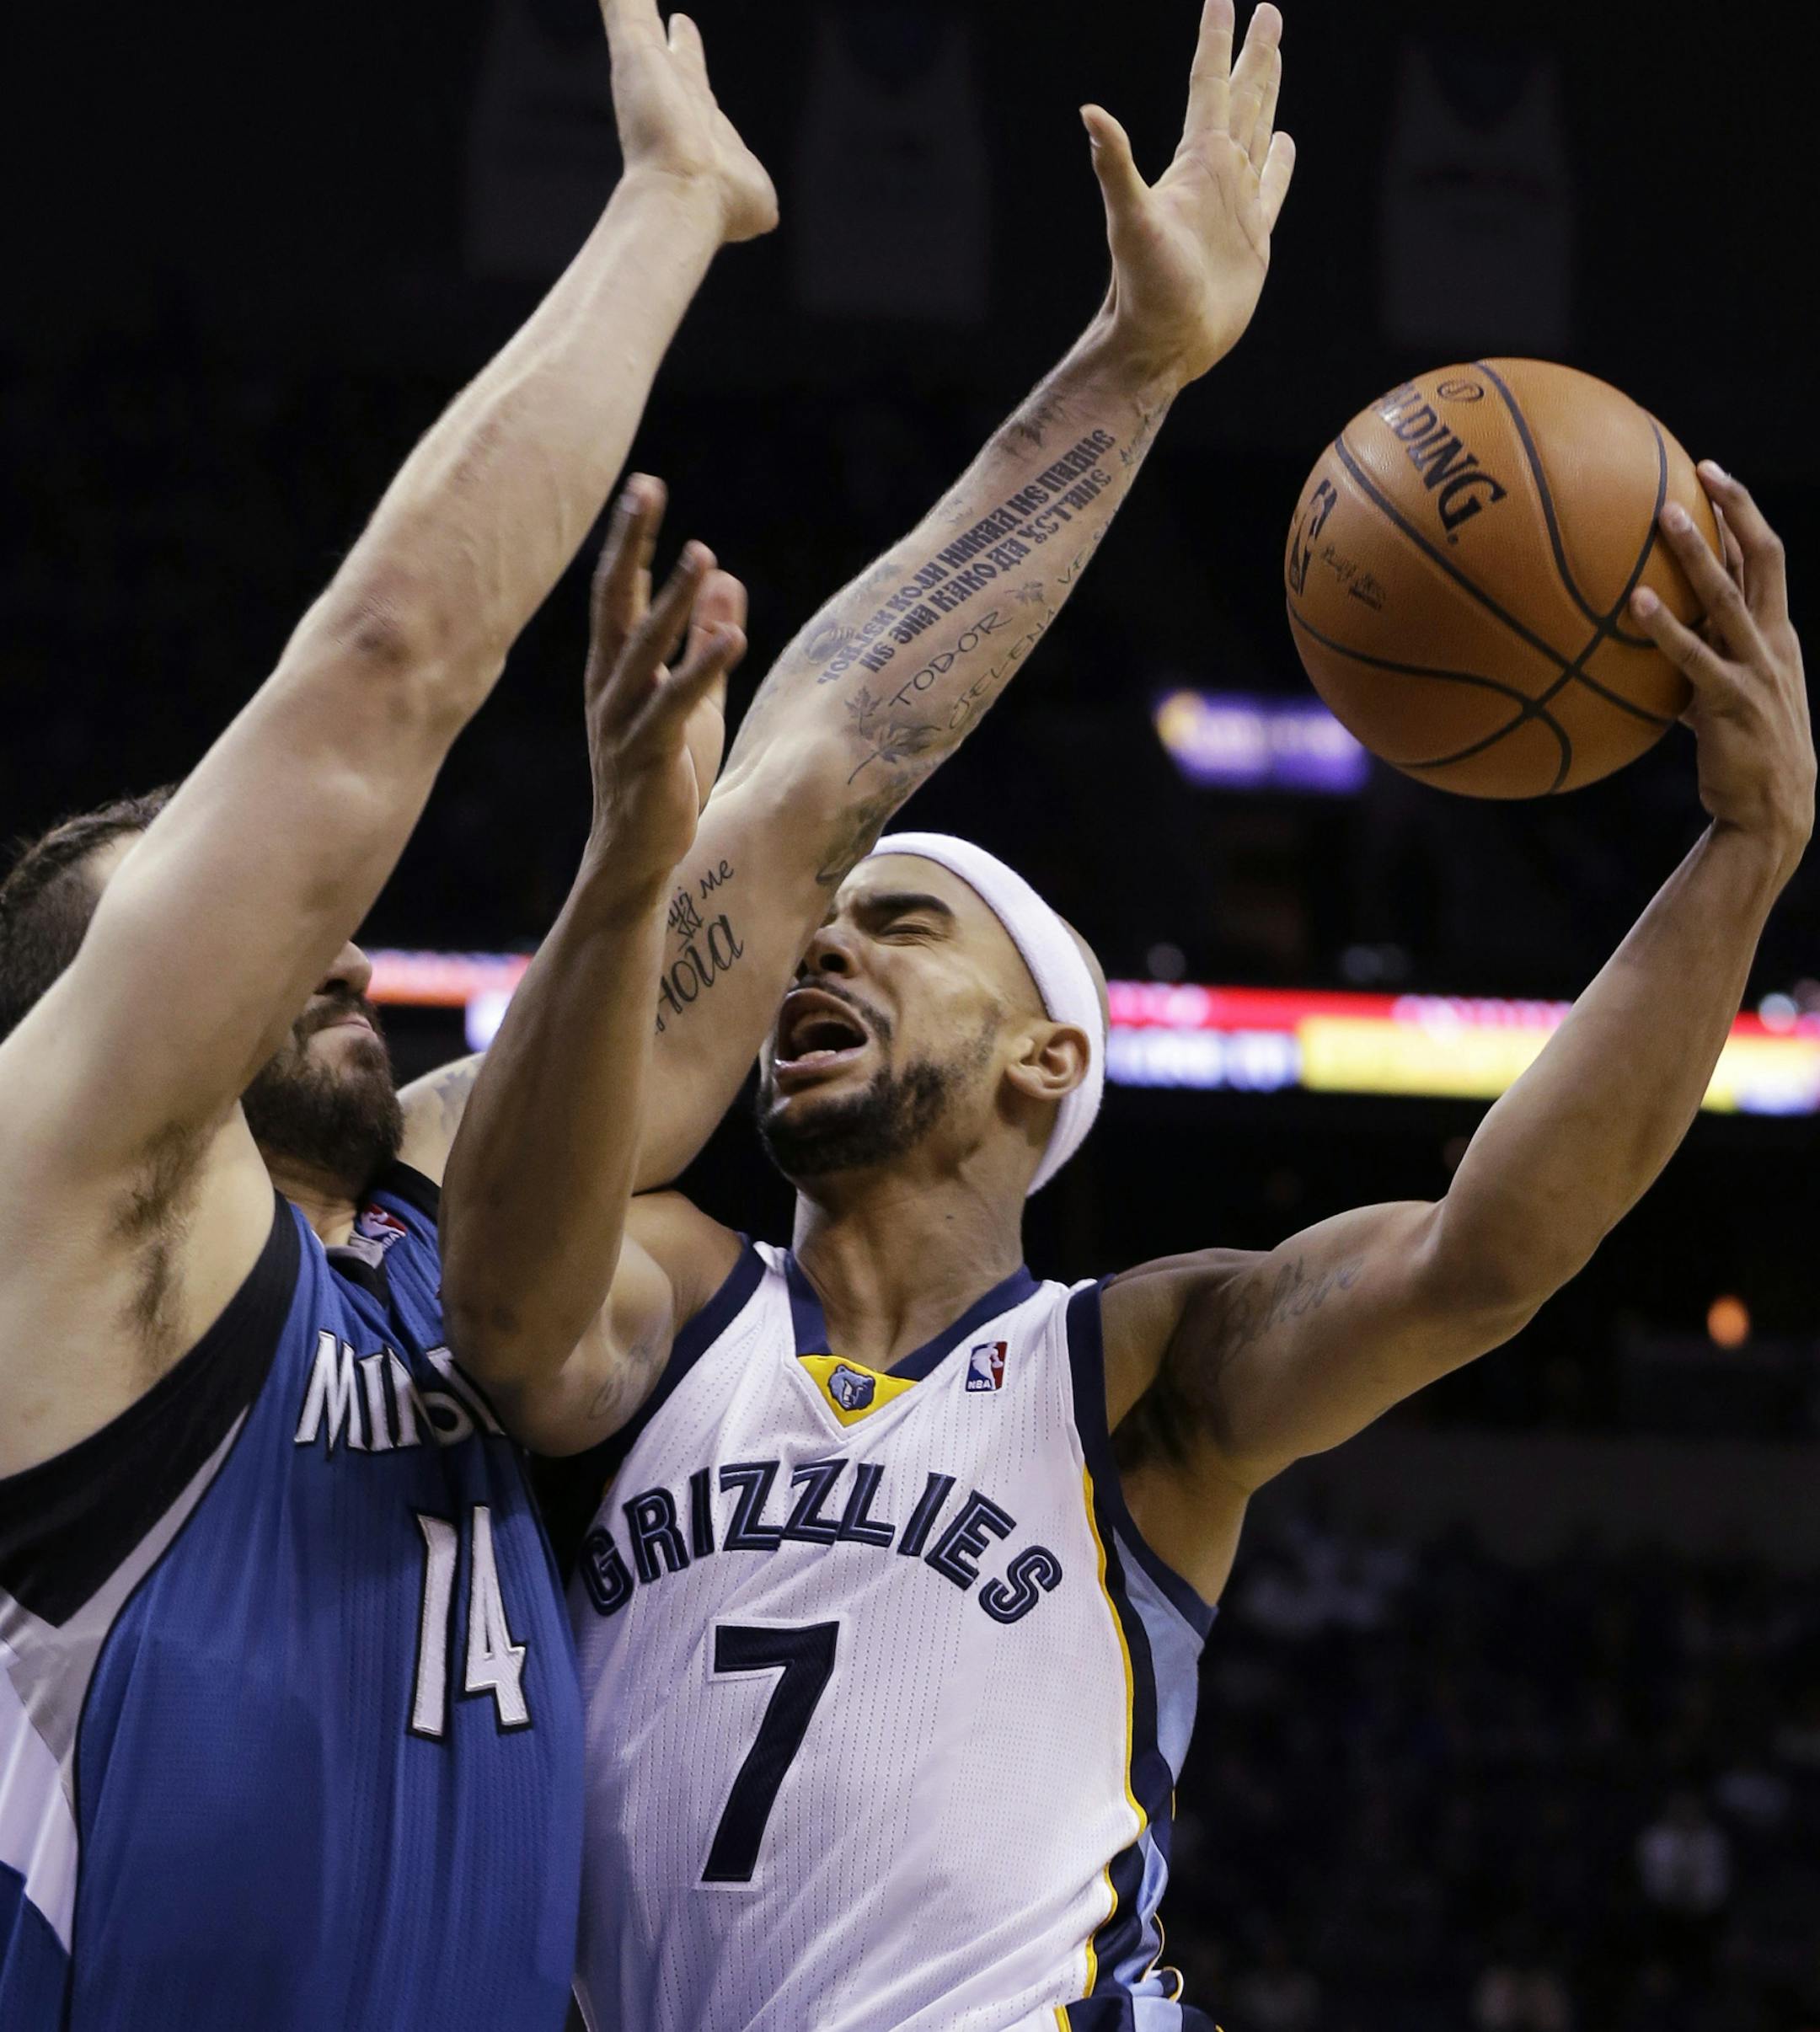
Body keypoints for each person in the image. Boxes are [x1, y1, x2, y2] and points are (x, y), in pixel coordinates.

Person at [440, 68, 1813, 2032]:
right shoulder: (676, 1302)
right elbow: (502, 1309)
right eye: (826, 930)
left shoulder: (1134, 1375)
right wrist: (638, 879)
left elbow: (1488, 1248)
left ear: (1045, 1065)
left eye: (903, 929)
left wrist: (1743, 853)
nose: (827, 946)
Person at [0, 0, 779, 2022]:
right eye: (248, 949)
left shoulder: (430, 1211)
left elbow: (807, 805)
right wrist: (671, 207)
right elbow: (388, 665)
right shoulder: (58, 1199)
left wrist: (1124, 378)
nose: (342, 950)